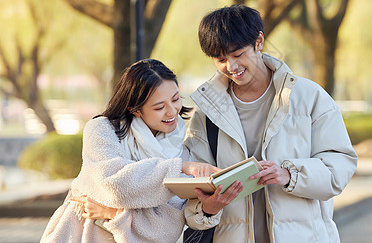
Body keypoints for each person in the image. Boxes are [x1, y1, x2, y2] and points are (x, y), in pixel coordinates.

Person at [183, 4, 358, 242]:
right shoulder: (205, 112)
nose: (231, 67)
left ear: (259, 42)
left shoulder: (308, 97)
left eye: (237, 55)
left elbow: (340, 167)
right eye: (220, 59)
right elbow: (192, 192)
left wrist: (290, 174)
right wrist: (208, 207)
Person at [41, 59, 243, 243]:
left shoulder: (180, 149)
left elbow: (168, 230)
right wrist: (178, 168)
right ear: (135, 109)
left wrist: (115, 213)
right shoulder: (102, 130)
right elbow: (112, 183)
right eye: (159, 107)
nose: (172, 112)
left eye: (175, 99)